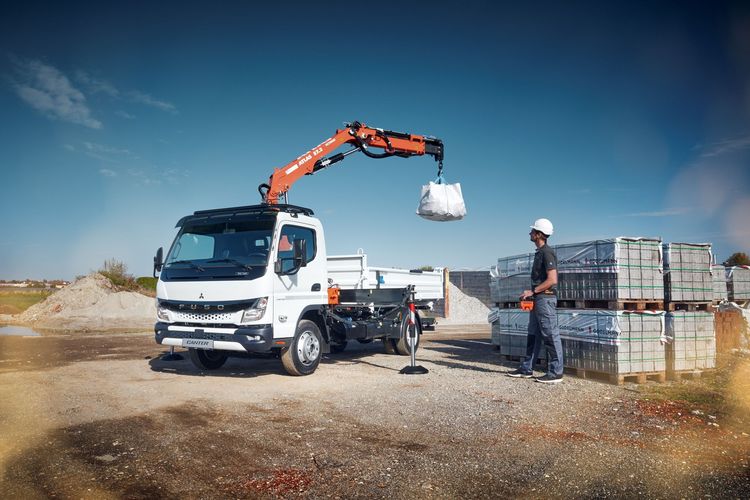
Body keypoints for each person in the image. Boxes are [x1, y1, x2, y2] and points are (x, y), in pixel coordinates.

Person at [507, 218, 564, 384]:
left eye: (532, 231)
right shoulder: (540, 253)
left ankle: (555, 373)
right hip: (538, 299)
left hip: (545, 300)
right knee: (533, 334)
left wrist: (533, 290)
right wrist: (531, 293)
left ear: (539, 235)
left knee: (550, 334)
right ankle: (527, 368)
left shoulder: (547, 252)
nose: (530, 233)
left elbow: (552, 279)